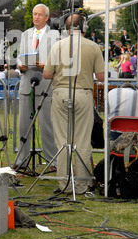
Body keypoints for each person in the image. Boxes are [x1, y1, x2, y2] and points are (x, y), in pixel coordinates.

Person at [43, 13, 104, 194]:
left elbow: (46, 74)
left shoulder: (57, 46)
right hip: (83, 94)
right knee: (83, 142)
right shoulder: (93, 47)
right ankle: (82, 185)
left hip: (61, 92)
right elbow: (100, 76)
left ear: (65, 28)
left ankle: (65, 185)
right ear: (84, 27)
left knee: (62, 141)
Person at [14, 4, 58, 171]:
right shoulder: (25, 34)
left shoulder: (55, 36)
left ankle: (52, 161)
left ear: (47, 17)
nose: (36, 17)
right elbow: (19, 56)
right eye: (34, 14)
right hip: (27, 84)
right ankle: (22, 160)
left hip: (45, 86)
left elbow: (58, 59)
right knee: (24, 126)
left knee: (47, 126)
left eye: (40, 14)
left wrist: (47, 65)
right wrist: (20, 65)